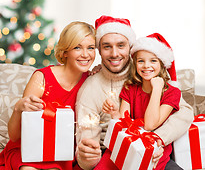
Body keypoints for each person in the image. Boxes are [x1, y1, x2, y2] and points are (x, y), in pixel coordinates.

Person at [75, 15, 194, 170]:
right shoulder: (93, 87)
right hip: (115, 152)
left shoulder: (146, 72)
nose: (114, 53)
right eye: (107, 47)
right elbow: (89, 138)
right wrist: (88, 155)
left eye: (121, 45)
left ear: (131, 48)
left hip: (157, 152)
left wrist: (158, 140)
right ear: (99, 50)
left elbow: (185, 112)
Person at [0, 21, 96, 170]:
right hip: (26, 150)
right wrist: (18, 108)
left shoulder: (91, 81)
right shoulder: (42, 78)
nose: (86, 54)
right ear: (65, 51)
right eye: (77, 47)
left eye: (90, 48)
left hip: (59, 153)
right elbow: (14, 136)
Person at [103, 33, 182, 170]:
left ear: (162, 64)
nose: (146, 66)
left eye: (153, 61)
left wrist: (157, 89)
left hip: (156, 150)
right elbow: (124, 122)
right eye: (141, 61)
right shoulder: (130, 88)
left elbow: (150, 125)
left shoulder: (172, 93)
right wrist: (115, 114)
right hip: (131, 145)